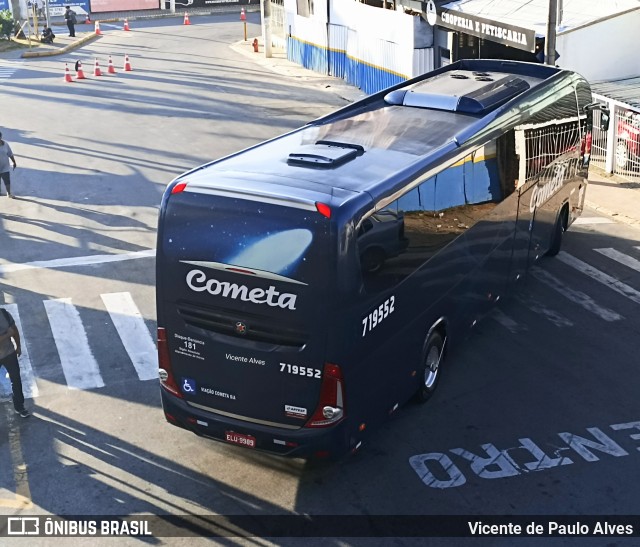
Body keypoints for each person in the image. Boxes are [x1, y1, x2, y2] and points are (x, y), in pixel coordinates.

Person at [0, 308, 29, 418]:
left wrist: (18, 346)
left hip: (9, 353)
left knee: (16, 379)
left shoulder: (4, 314)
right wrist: (8, 334)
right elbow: (11, 332)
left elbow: (14, 330)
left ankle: (19, 406)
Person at [0, 131, 17, 199]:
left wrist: (14, 162)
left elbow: (10, 153)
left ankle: (9, 193)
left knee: (7, 181)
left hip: (5, 167)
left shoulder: (5, 144)